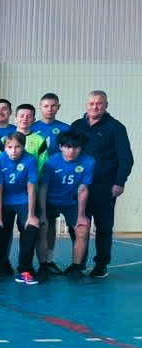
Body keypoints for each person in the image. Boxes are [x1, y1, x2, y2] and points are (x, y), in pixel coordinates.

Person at [70, 90, 134, 278]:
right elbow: (68, 153)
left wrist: (119, 182)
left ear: (106, 105)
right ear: (86, 105)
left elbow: (126, 158)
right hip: (79, 186)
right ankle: (78, 263)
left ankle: (101, 264)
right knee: (79, 225)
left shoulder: (116, 127)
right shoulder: (77, 126)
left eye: (99, 103)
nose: (95, 107)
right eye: (91, 103)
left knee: (104, 227)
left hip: (104, 186)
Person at [38, 130, 95, 281]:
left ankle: (76, 267)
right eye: (68, 147)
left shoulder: (89, 161)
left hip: (72, 203)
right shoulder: (51, 162)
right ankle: (44, 265)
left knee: (82, 229)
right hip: (50, 201)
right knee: (43, 227)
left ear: (81, 148)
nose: (71, 151)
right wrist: (42, 213)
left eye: (76, 147)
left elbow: (83, 189)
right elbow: (43, 187)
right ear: (60, 147)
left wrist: (81, 215)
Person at [0, 132, 40, 284]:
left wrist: (31, 215)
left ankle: (25, 270)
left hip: (23, 199)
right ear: (5, 148)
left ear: (23, 147)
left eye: (17, 147)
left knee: (31, 227)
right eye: (10, 147)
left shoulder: (30, 160)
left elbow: (31, 187)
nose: (13, 151)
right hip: (4, 200)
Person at [31, 93, 69, 275]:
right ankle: (28, 262)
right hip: (33, 182)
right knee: (32, 222)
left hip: (54, 183)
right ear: (41, 107)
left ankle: (48, 260)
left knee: (50, 222)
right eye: (46, 106)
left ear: (58, 107)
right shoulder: (32, 128)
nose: (49, 109)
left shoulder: (65, 129)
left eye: (53, 105)